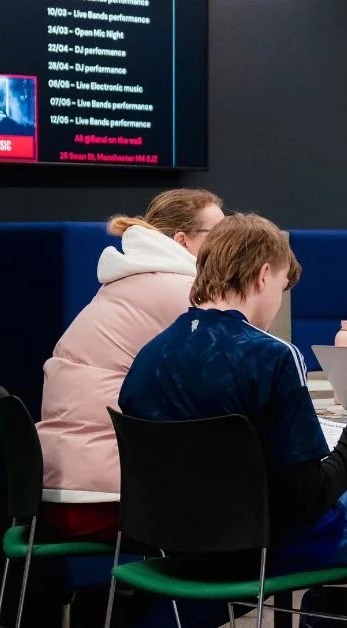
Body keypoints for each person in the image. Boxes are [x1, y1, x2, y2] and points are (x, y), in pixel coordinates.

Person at [118, 213, 347, 626]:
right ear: (262, 276)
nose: (277, 300)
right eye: (280, 285)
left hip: (173, 546)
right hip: (264, 548)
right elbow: (309, 497)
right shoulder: (273, 356)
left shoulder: (147, 356)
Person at [35, 188, 225, 541]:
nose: (229, 247)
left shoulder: (125, 283)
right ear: (182, 241)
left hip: (58, 495)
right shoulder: (184, 292)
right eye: (220, 236)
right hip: (112, 503)